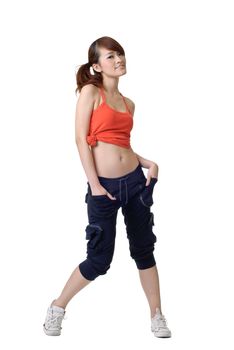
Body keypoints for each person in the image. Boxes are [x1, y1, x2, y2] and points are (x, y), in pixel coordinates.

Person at [43, 36, 171, 338]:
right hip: (104, 189)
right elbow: (80, 139)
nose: (119, 60)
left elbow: (120, 145)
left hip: (136, 184)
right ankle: (58, 307)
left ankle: (157, 315)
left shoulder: (129, 104)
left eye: (121, 55)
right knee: (99, 260)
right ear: (97, 66)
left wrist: (147, 162)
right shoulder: (91, 92)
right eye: (111, 56)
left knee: (144, 250)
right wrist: (95, 185)